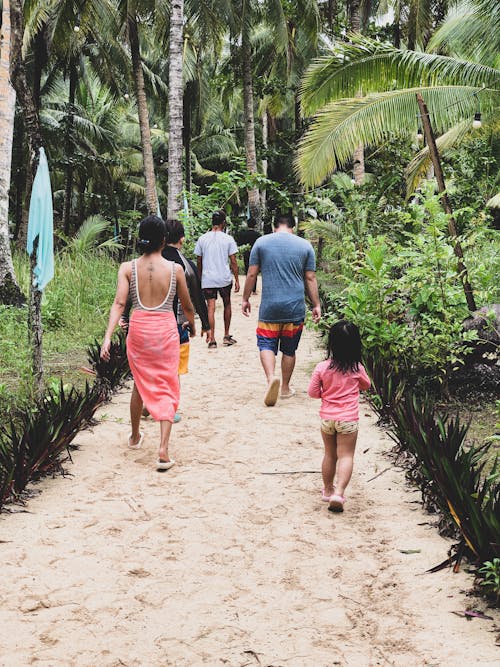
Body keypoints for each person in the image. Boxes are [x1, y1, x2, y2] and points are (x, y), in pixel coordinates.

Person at [101, 215, 195, 471]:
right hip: (165, 331)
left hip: (139, 331)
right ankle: (163, 449)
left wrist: (108, 336)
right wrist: (194, 326)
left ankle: (134, 436)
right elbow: (187, 306)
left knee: (139, 382)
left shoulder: (127, 268)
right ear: (164, 240)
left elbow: (120, 304)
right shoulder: (175, 270)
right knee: (167, 383)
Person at [242, 212, 321, 406]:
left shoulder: (261, 243)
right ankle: (285, 388)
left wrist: (245, 299)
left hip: (270, 307)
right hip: (294, 307)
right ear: (293, 226)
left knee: (266, 344)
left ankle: (271, 379)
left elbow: (252, 274)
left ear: (273, 225)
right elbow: (310, 278)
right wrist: (316, 304)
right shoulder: (305, 246)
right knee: (289, 349)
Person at [307, 320, 371, 512]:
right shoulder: (356, 368)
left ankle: (327, 490)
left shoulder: (322, 367)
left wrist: (325, 394)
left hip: (327, 418)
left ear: (331, 344)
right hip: (348, 420)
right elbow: (366, 385)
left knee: (329, 454)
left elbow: (312, 392)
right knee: (346, 456)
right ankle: (339, 492)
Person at [163, 218, 210, 379]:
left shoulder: (146, 261)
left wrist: (125, 316)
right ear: (181, 239)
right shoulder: (186, 265)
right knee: (173, 373)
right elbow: (197, 297)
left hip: (147, 324)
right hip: (176, 325)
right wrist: (205, 324)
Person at [194, 210, 239, 349]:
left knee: (210, 308)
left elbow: (199, 260)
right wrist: (237, 279)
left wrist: (200, 276)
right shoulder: (228, 239)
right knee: (227, 304)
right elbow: (233, 261)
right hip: (224, 277)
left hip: (208, 278)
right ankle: (226, 336)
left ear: (212, 222)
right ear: (223, 223)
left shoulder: (202, 239)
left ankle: (212, 339)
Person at [236, 218, 261, 294]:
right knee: (254, 271)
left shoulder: (243, 234)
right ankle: (254, 290)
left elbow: (239, 244)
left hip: (246, 253)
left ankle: (248, 289)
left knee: (248, 271)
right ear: (255, 225)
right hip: (255, 254)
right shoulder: (258, 235)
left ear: (247, 224)